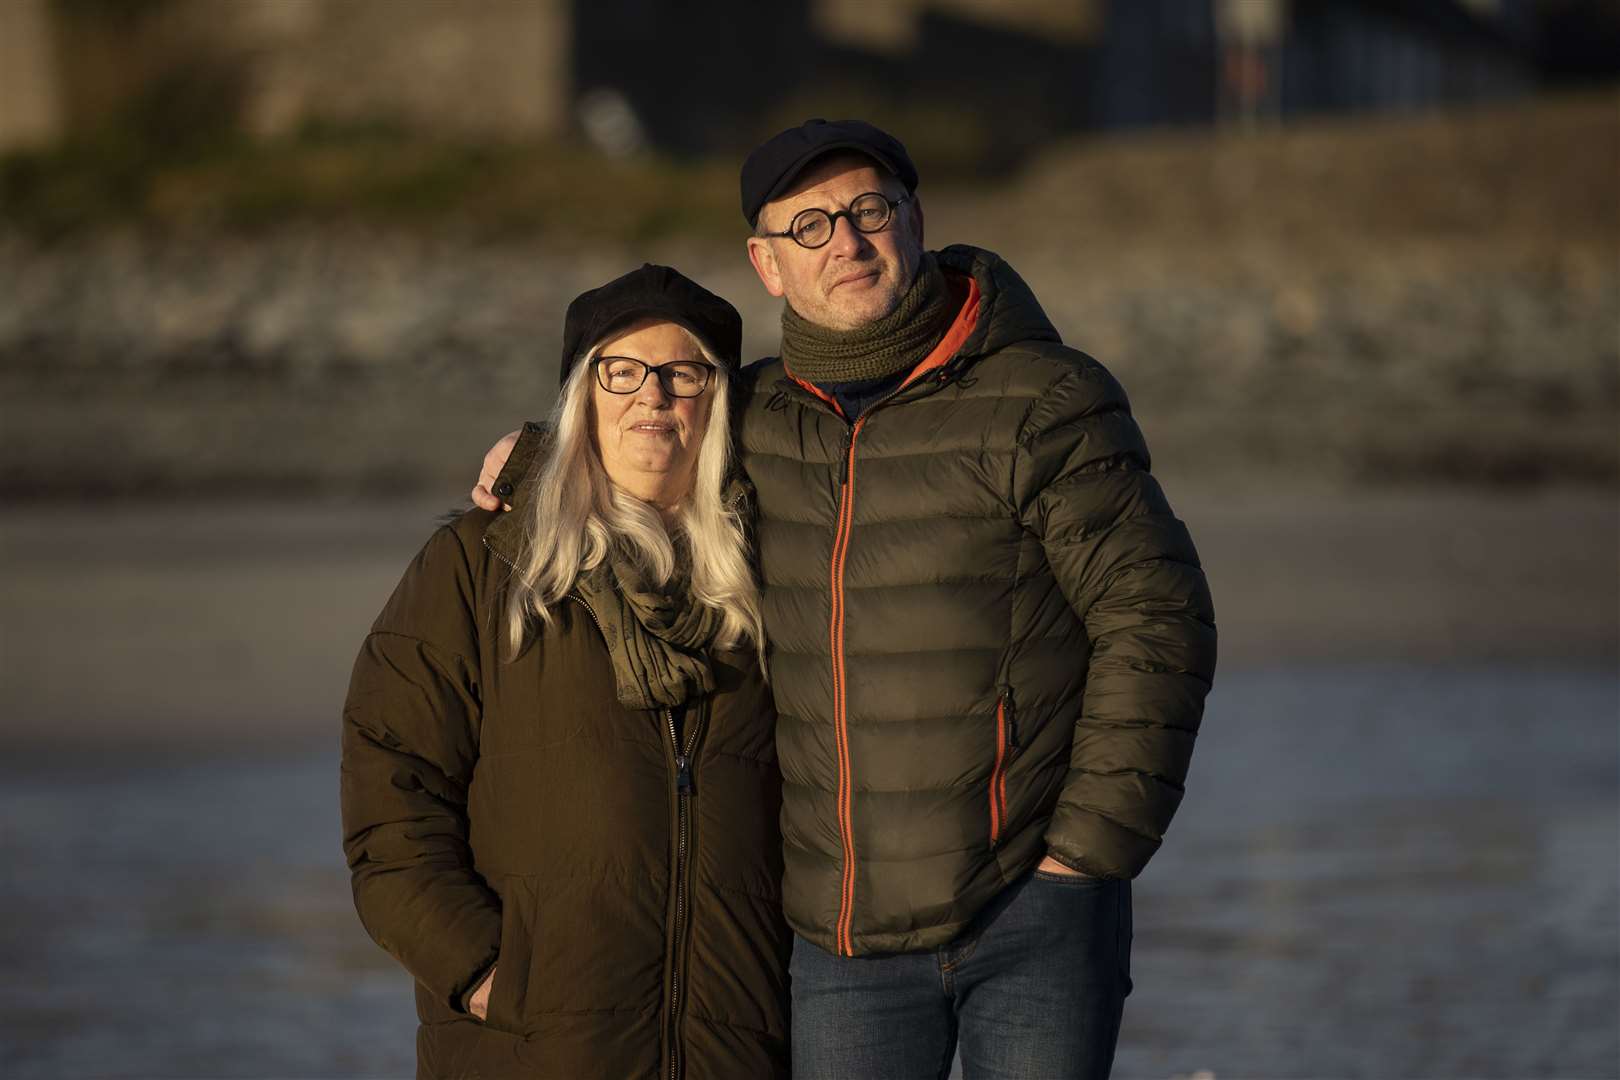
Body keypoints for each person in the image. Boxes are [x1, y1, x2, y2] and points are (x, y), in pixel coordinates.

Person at [474, 120, 1217, 1080]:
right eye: (810, 227)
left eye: (870, 211)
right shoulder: (752, 418)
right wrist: (538, 455)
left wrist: (1086, 859)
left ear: (915, 220)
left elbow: (1157, 621)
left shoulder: (1043, 400)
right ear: (768, 264)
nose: (848, 244)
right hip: (841, 943)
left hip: (1034, 915)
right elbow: (638, 440)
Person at [342, 265, 790, 1079]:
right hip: (533, 1045)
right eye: (620, 371)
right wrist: (482, 974)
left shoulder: (770, 579)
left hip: (731, 1046)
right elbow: (390, 792)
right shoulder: (483, 565)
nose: (651, 396)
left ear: (717, 401)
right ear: (583, 396)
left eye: (682, 372)